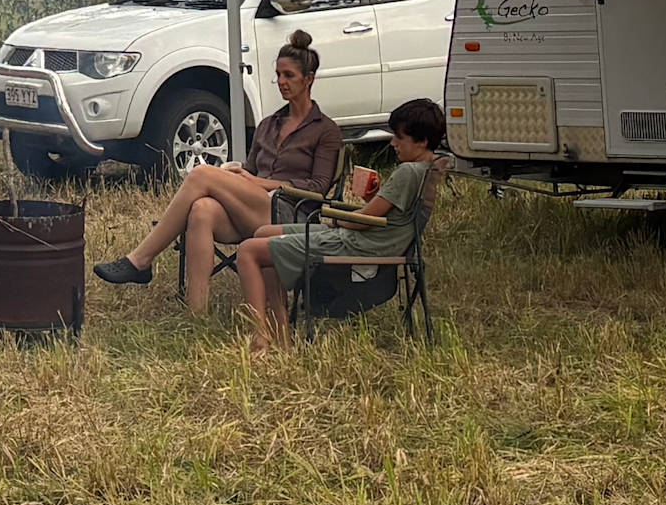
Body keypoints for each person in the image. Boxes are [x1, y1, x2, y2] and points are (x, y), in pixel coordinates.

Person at [90, 37, 346, 312]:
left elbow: (318, 189)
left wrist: (256, 182)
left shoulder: (325, 130)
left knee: (201, 174)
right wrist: (239, 174)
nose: (282, 82)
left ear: (309, 79)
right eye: (278, 75)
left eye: (289, 75)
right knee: (202, 210)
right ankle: (196, 312)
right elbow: (251, 169)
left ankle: (141, 259)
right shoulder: (269, 125)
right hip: (252, 207)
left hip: (289, 213)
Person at [239, 98, 446, 352]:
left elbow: (362, 222)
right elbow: (384, 215)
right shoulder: (426, 169)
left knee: (249, 251)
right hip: (368, 238)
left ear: (422, 141)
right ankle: (280, 330)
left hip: (357, 245)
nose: (393, 143)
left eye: (399, 138)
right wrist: (368, 199)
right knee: (263, 233)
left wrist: (332, 217)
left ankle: (260, 339)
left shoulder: (408, 172)